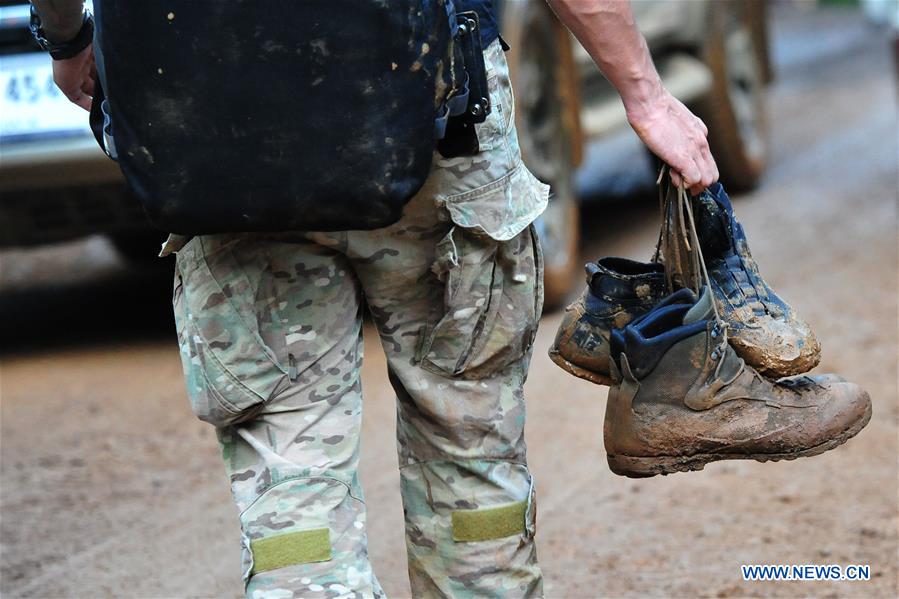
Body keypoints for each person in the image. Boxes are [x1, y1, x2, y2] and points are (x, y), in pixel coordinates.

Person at [34, 0, 717, 596]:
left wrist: (68, 39)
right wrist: (644, 94)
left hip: (227, 148)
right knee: (469, 454)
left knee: (290, 485)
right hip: (436, 131)